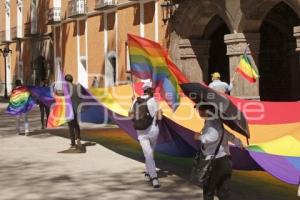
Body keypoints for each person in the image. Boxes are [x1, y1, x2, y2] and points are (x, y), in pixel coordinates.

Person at [194, 103, 243, 200]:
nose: (198, 112)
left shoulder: (211, 122)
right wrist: (238, 142)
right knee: (223, 192)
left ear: (205, 111)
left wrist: (199, 137)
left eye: (199, 110)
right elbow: (227, 135)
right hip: (225, 161)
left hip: (214, 163)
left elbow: (213, 136)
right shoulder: (217, 121)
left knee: (208, 191)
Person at [129, 79, 162, 188]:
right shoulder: (154, 100)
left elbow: (130, 116)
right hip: (153, 131)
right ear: (150, 90)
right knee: (149, 154)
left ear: (143, 90)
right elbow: (159, 117)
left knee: (148, 154)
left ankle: (148, 172)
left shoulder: (135, 101)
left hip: (141, 132)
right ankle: (154, 177)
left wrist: (132, 102)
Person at [64, 74, 83, 151]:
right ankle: (78, 138)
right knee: (76, 124)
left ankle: (73, 144)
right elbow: (81, 97)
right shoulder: (77, 87)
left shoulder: (66, 88)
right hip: (76, 108)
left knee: (71, 127)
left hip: (69, 109)